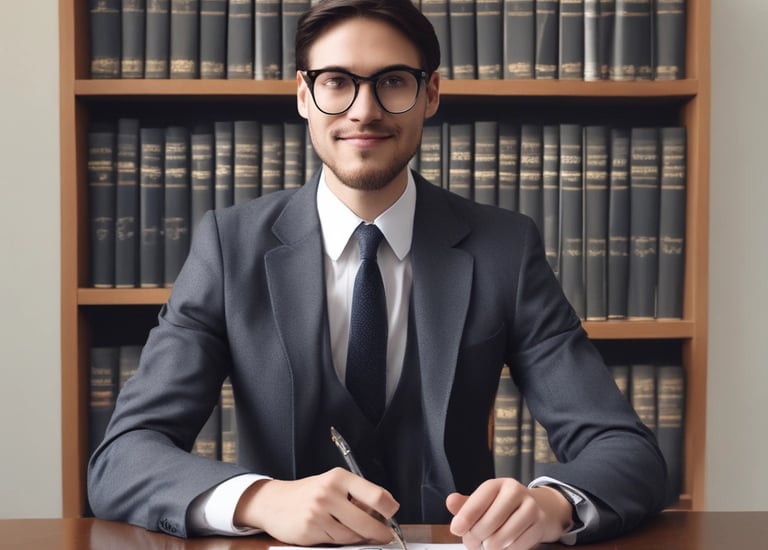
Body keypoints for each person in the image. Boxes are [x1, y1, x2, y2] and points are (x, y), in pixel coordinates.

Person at [87, 1, 668, 548]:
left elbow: (627, 451)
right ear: (303, 96)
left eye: (392, 81)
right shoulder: (230, 246)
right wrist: (262, 499)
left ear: (430, 93)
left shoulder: (504, 249)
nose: (363, 110)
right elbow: (123, 457)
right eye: (336, 82)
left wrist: (553, 505)